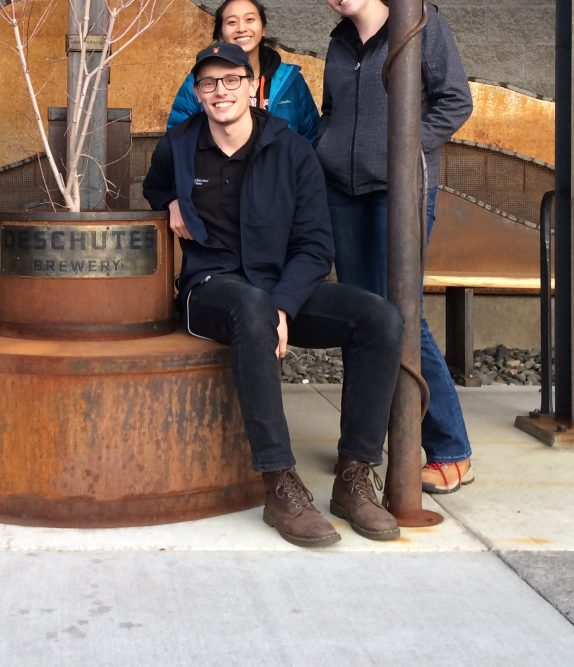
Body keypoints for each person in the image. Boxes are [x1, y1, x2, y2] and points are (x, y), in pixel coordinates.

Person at [144, 42, 404, 547]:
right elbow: (154, 187)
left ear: (252, 86)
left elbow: (315, 246)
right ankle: (279, 483)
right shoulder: (176, 145)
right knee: (250, 305)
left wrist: (283, 304)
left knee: (378, 318)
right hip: (211, 290)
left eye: (231, 80)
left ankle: (354, 477)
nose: (221, 92)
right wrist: (171, 199)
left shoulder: (291, 150)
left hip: (280, 289)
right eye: (209, 83)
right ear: (197, 93)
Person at [314, 0, 476, 494]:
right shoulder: (338, 44)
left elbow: (455, 102)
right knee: (361, 321)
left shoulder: (420, 25)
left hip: (399, 194)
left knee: (402, 315)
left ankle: (450, 447)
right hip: (342, 193)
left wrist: (404, 152)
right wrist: (324, 152)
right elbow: (332, 112)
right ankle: (364, 446)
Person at [166, 0, 319, 143]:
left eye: (250, 19)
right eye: (232, 22)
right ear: (220, 35)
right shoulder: (198, 82)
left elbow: (310, 137)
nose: (241, 28)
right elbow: (177, 139)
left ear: (263, 29)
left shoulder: (291, 80)